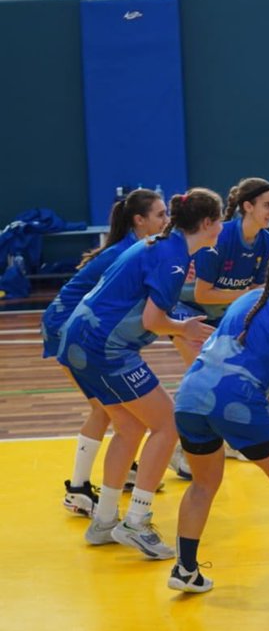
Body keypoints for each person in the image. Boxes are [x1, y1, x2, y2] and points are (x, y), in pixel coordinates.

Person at [58, 189, 222, 559]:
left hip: (77, 340)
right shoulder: (173, 257)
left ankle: (103, 521)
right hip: (104, 346)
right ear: (208, 224)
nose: (222, 227)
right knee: (167, 424)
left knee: (130, 427)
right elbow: (153, 320)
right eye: (220, 220)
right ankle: (136, 521)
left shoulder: (161, 244)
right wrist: (185, 328)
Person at [169, 241, 269, 602]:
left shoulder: (247, 298)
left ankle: (185, 569)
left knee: (202, 484)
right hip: (237, 403)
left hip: (190, 396)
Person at [44, 189, 165, 516]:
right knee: (110, 413)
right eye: (160, 215)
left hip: (76, 330)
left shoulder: (135, 248)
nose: (166, 222)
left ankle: (120, 471)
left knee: (121, 415)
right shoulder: (128, 252)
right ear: (139, 221)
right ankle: (78, 490)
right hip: (65, 329)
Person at [172, 177, 269, 364]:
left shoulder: (267, 242)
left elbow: (254, 294)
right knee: (205, 364)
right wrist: (246, 293)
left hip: (221, 311)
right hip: (186, 307)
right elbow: (202, 295)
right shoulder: (219, 238)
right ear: (248, 206)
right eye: (268, 205)